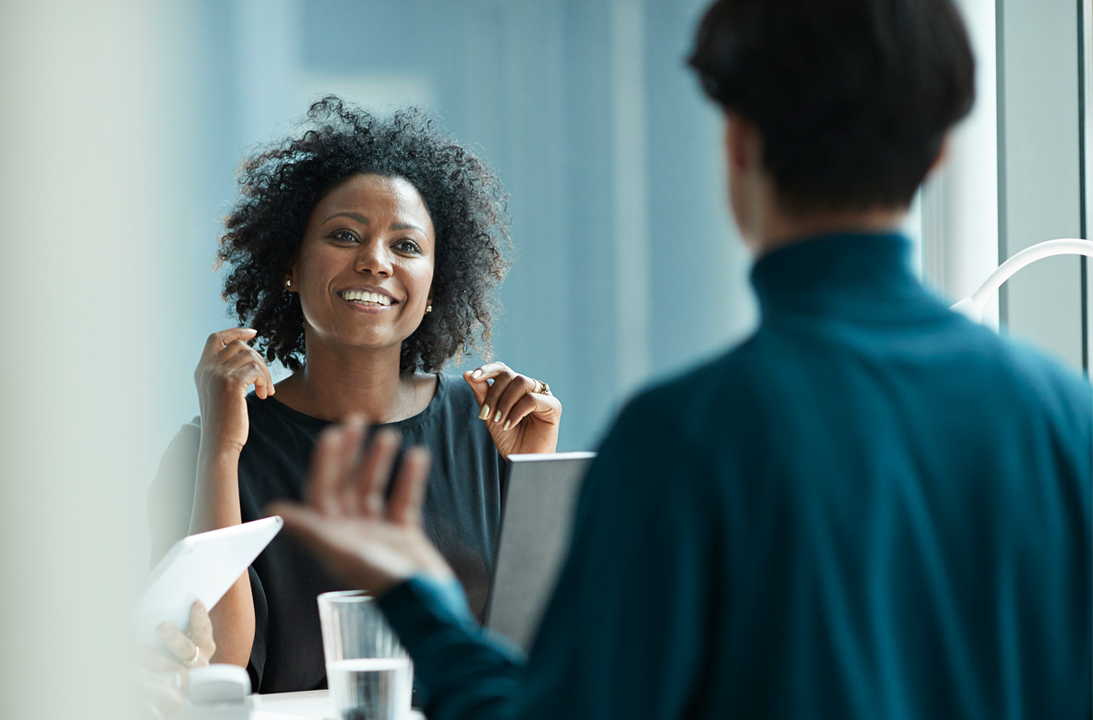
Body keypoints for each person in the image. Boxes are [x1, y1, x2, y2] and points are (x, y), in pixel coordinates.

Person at [269, 1, 1093, 718]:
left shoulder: (687, 437)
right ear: (939, 154)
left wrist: (416, 600)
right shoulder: (1065, 418)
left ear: (737, 146)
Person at [146, 97, 562, 694]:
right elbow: (217, 671)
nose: (374, 262)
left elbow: (544, 655)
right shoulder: (214, 444)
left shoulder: (489, 426)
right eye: (345, 236)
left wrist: (532, 476)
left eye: (406, 246)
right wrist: (220, 451)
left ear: (433, 282)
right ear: (291, 263)